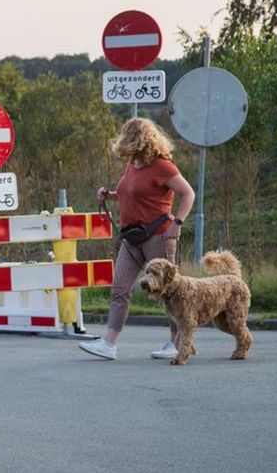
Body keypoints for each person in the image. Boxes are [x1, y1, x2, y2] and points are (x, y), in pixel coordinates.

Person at [79, 117, 195, 361]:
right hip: (131, 237)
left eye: (128, 139)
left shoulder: (163, 166)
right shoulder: (133, 164)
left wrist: (177, 224)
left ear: (140, 140)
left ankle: (177, 342)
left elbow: (187, 193)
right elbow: (131, 193)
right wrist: (109, 195)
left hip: (158, 235)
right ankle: (109, 343)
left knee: (169, 292)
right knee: (120, 287)